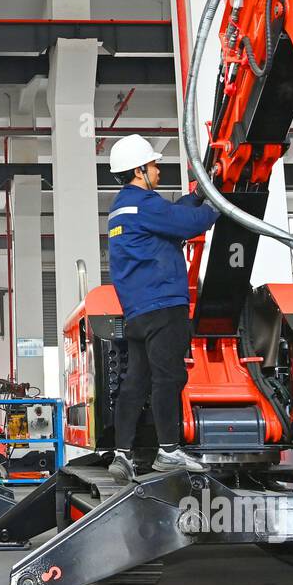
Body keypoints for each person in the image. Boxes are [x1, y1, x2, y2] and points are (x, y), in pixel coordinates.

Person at [105, 133, 219, 482]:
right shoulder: (145, 205)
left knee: (136, 381)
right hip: (164, 305)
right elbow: (189, 223)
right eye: (153, 165)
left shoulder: (123, 207)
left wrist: (196, 195)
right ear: (139, 170)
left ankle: (122, 454)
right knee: (169, 377)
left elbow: (171, 214)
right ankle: (168, 450)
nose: (157, 169)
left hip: (138, 311)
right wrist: (216, 203)